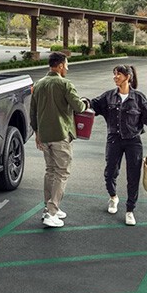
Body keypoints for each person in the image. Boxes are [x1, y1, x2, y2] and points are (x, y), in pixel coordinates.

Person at [89, 65, 147, 226]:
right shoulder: (109, 96)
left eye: (119, 74)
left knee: (133, 176)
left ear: (128, 77)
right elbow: (93, 104)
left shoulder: (138, 98)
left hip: (133, 141)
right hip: (114, 139)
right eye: (114, 74)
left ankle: (130, 210)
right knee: (110, 173)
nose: (115, 77)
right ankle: (113, 197)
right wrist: (83, 102)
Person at [30, 52, 88, 228]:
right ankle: (52, 212)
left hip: (44, 136)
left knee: (50, 171)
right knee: (62, 173)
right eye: (67, 65)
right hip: (60, 135)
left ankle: (48, 208)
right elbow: (79, 107)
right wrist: (86, 103)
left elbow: (32, 112)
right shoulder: (65, 84)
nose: (68, 68)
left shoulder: (38, 85)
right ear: (61, 66)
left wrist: (37, 133)